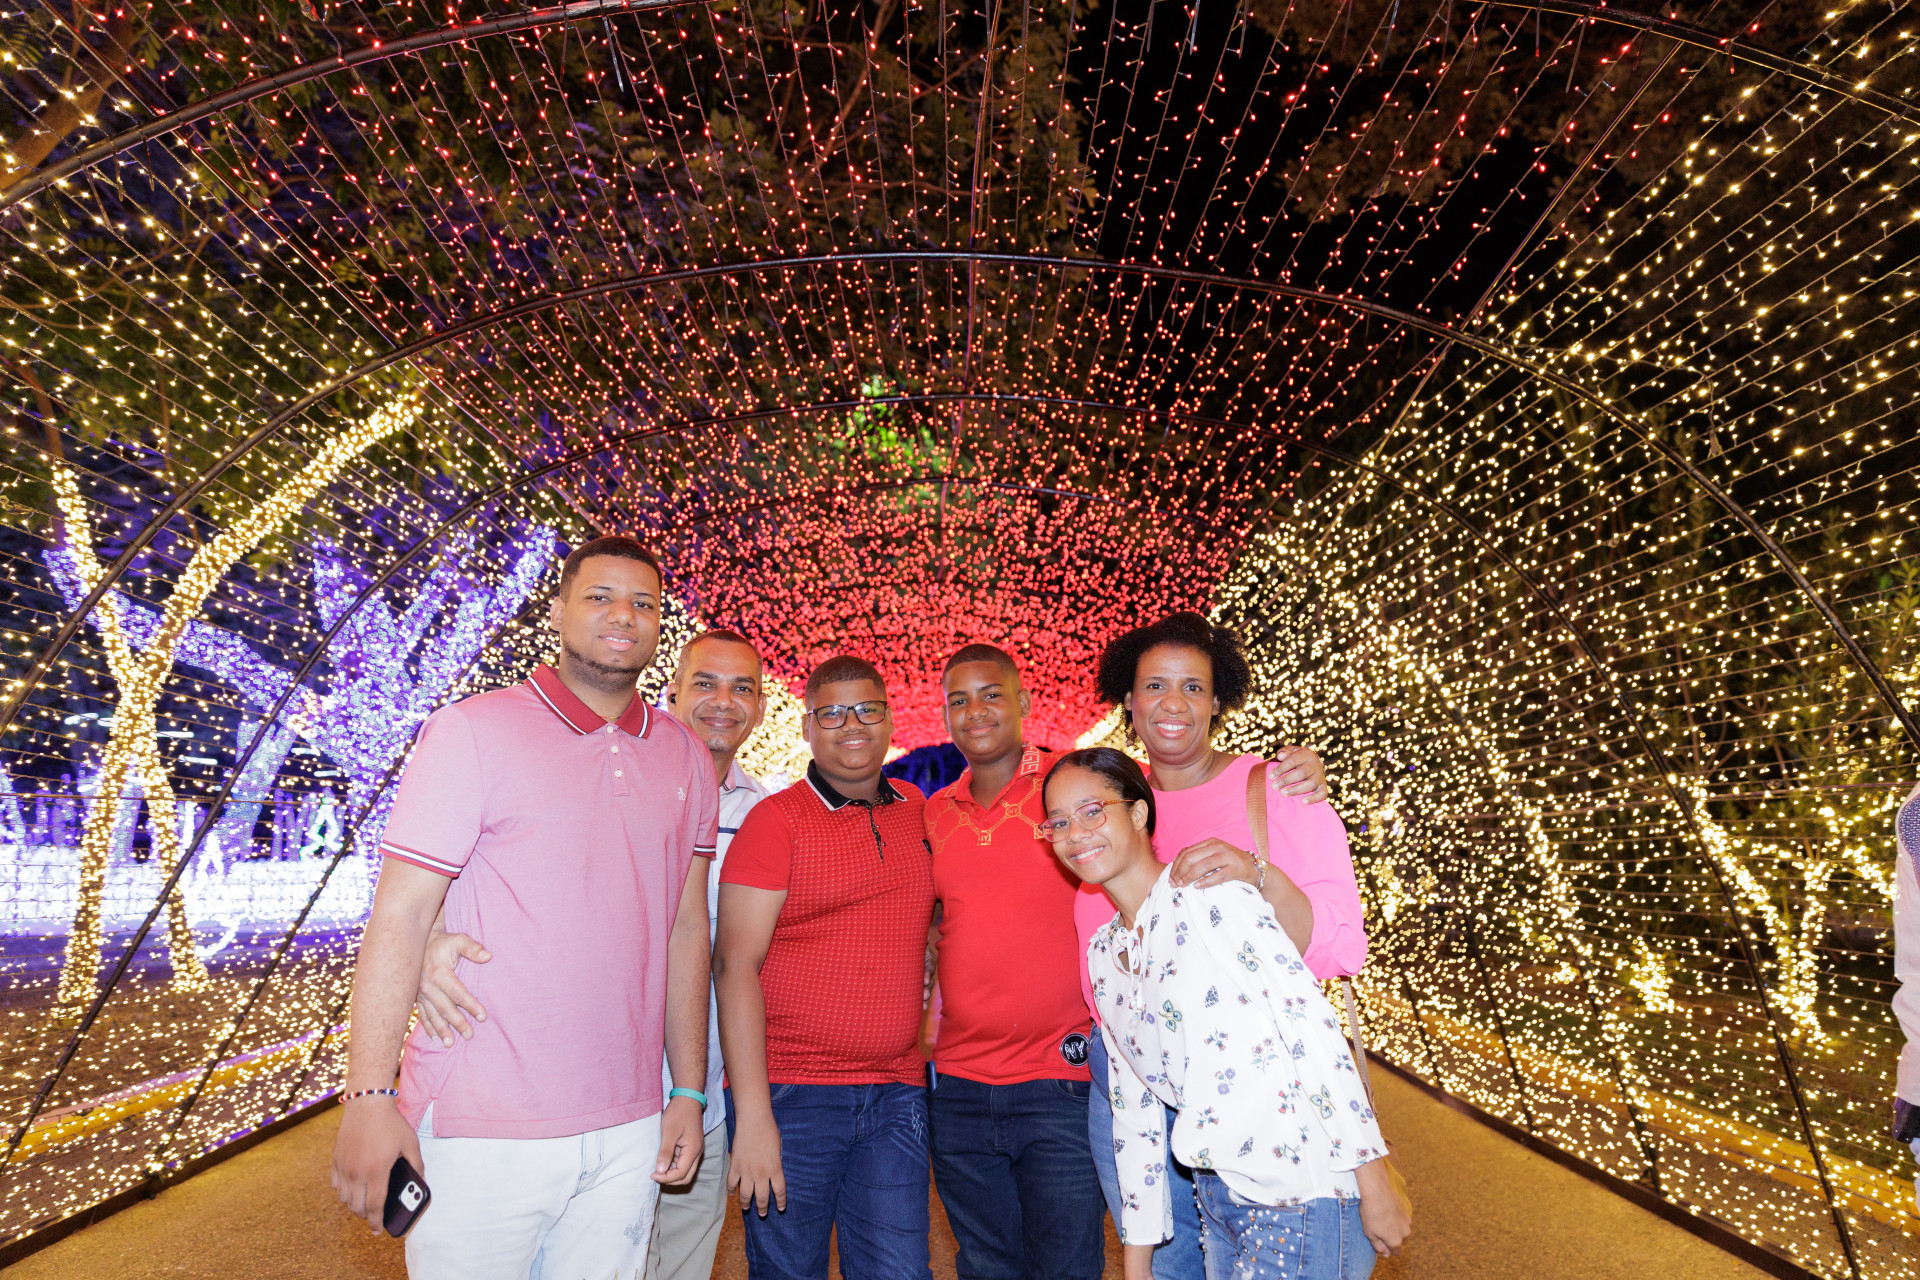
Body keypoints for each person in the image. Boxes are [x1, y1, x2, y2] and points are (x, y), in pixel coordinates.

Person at [328, 535, 718, 1280]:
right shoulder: (471, 730)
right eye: (599, 596)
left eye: (643, 603)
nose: (623, 615)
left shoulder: (686, 756)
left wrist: (688, 1092)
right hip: (482, 1122)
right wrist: (370, 1098)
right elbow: (400, 916)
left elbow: (686, 930)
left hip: (631, 1122)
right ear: (558, 611)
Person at [923, 641, 1329, 1280]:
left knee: (1077, 1260)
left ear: (1023, 701)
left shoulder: (1075, 786)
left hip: (1068, 1071)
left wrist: (1294, 771)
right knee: (990, 1261)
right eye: (958, 700)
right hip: (986, 1075)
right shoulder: (933, 812)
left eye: (993, 694)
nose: (976, 711)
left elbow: (1171, 768)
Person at [412, 627, 772, 1280]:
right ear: (672, 690)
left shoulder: (768, 816)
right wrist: (430, 936)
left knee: (679, 1265)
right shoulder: (568, 752)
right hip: (567, 1096)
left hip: (697, 1098)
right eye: (705, 683)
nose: (723, 701)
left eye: (741, 687)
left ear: (761, 706)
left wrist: (710, 1098)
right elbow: (447, 868)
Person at [1043, 747, 1411, 1280]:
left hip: (1301, 1195)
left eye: (1092, 811)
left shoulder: (1211, 899)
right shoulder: (1105, 953)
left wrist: (1373, 1180)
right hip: (1217, 1197)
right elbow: (1134, 1111)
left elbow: (1309, 1027)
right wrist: (1137, 1264)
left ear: (1139, 813)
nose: (1076, 833)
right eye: (1058, 822)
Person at [1079, 611, 1366, 1280]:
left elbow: (1339, 947)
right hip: (1133, 1082)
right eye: (1154, 686)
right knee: (1166, 1265)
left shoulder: (1278, 791)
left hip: (1251, 1083)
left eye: (1193, 687)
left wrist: (1258, 876)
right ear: (1128, 699)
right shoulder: (1108, 800)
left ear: (1217, 701)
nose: (1173, 704)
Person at [714, 654, 936, 1280]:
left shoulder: (917, 808)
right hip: (793, 1095)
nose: (852, 725)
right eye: (832, 713)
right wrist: (754, 1116)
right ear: (808, 726)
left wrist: (928, 948)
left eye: (866, 709)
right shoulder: (774, 821)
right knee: (789, 1271)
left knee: (900, 1272)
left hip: (897, 1091)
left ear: (889, 719)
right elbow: (733, 965)